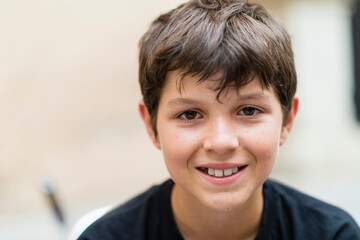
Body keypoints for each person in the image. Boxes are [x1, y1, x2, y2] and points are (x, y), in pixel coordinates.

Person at [78, 0, 360, 239]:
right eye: (189, 114)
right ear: (151, 125)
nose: (221, 142)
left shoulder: (333, 234)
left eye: (248, 110)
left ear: (287, 120)